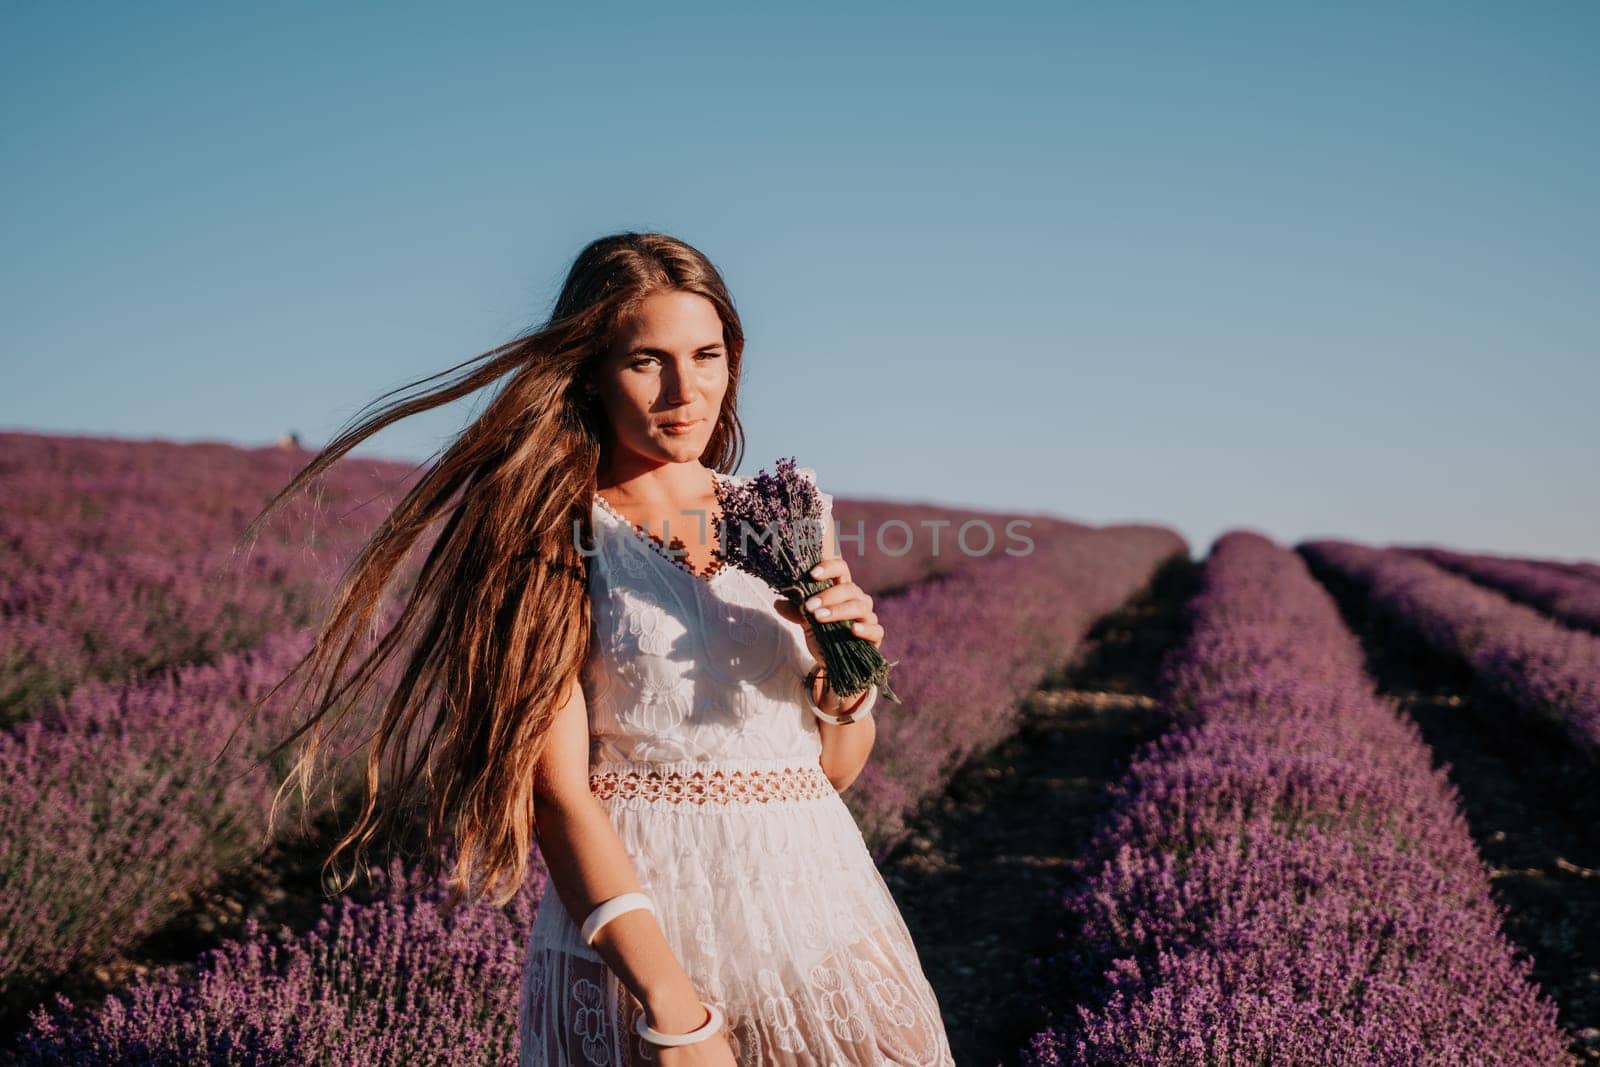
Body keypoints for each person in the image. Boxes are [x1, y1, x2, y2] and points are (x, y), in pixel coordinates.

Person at [244, 232, 954, 1064]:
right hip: (647, 936)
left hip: (818, 908)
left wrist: (845, 682)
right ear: (588, 369)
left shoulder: (786, 513)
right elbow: (559, 797)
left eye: (707, 354)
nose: (685, 390)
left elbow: (823, 772)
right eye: (646, 361)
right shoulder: (550, 530)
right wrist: (673, 1011)